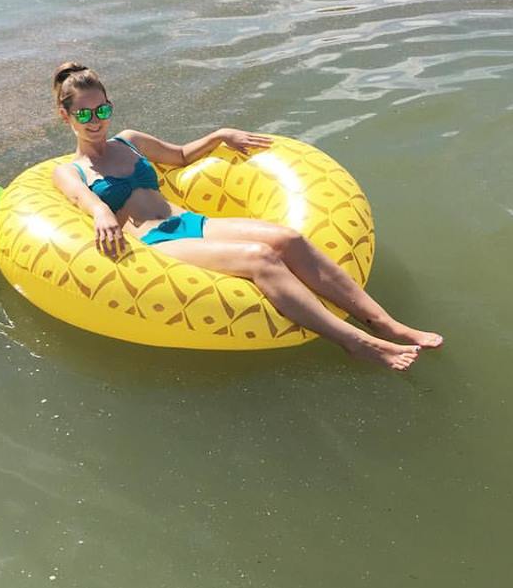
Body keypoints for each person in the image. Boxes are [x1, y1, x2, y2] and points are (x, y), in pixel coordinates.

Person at [50, 62, 443, 371]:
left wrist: (220, 135)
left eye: (102, 108)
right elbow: (83, 199)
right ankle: (356, 342)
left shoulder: (130, 142)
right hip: (156, 243)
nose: (96, 120)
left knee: (287, 239)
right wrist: (101, 209)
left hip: (190, 222)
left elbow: (182, 155)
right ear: (65, 117)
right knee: (260, 257)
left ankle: (383, 322)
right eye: (84, 114)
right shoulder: (71, 170)